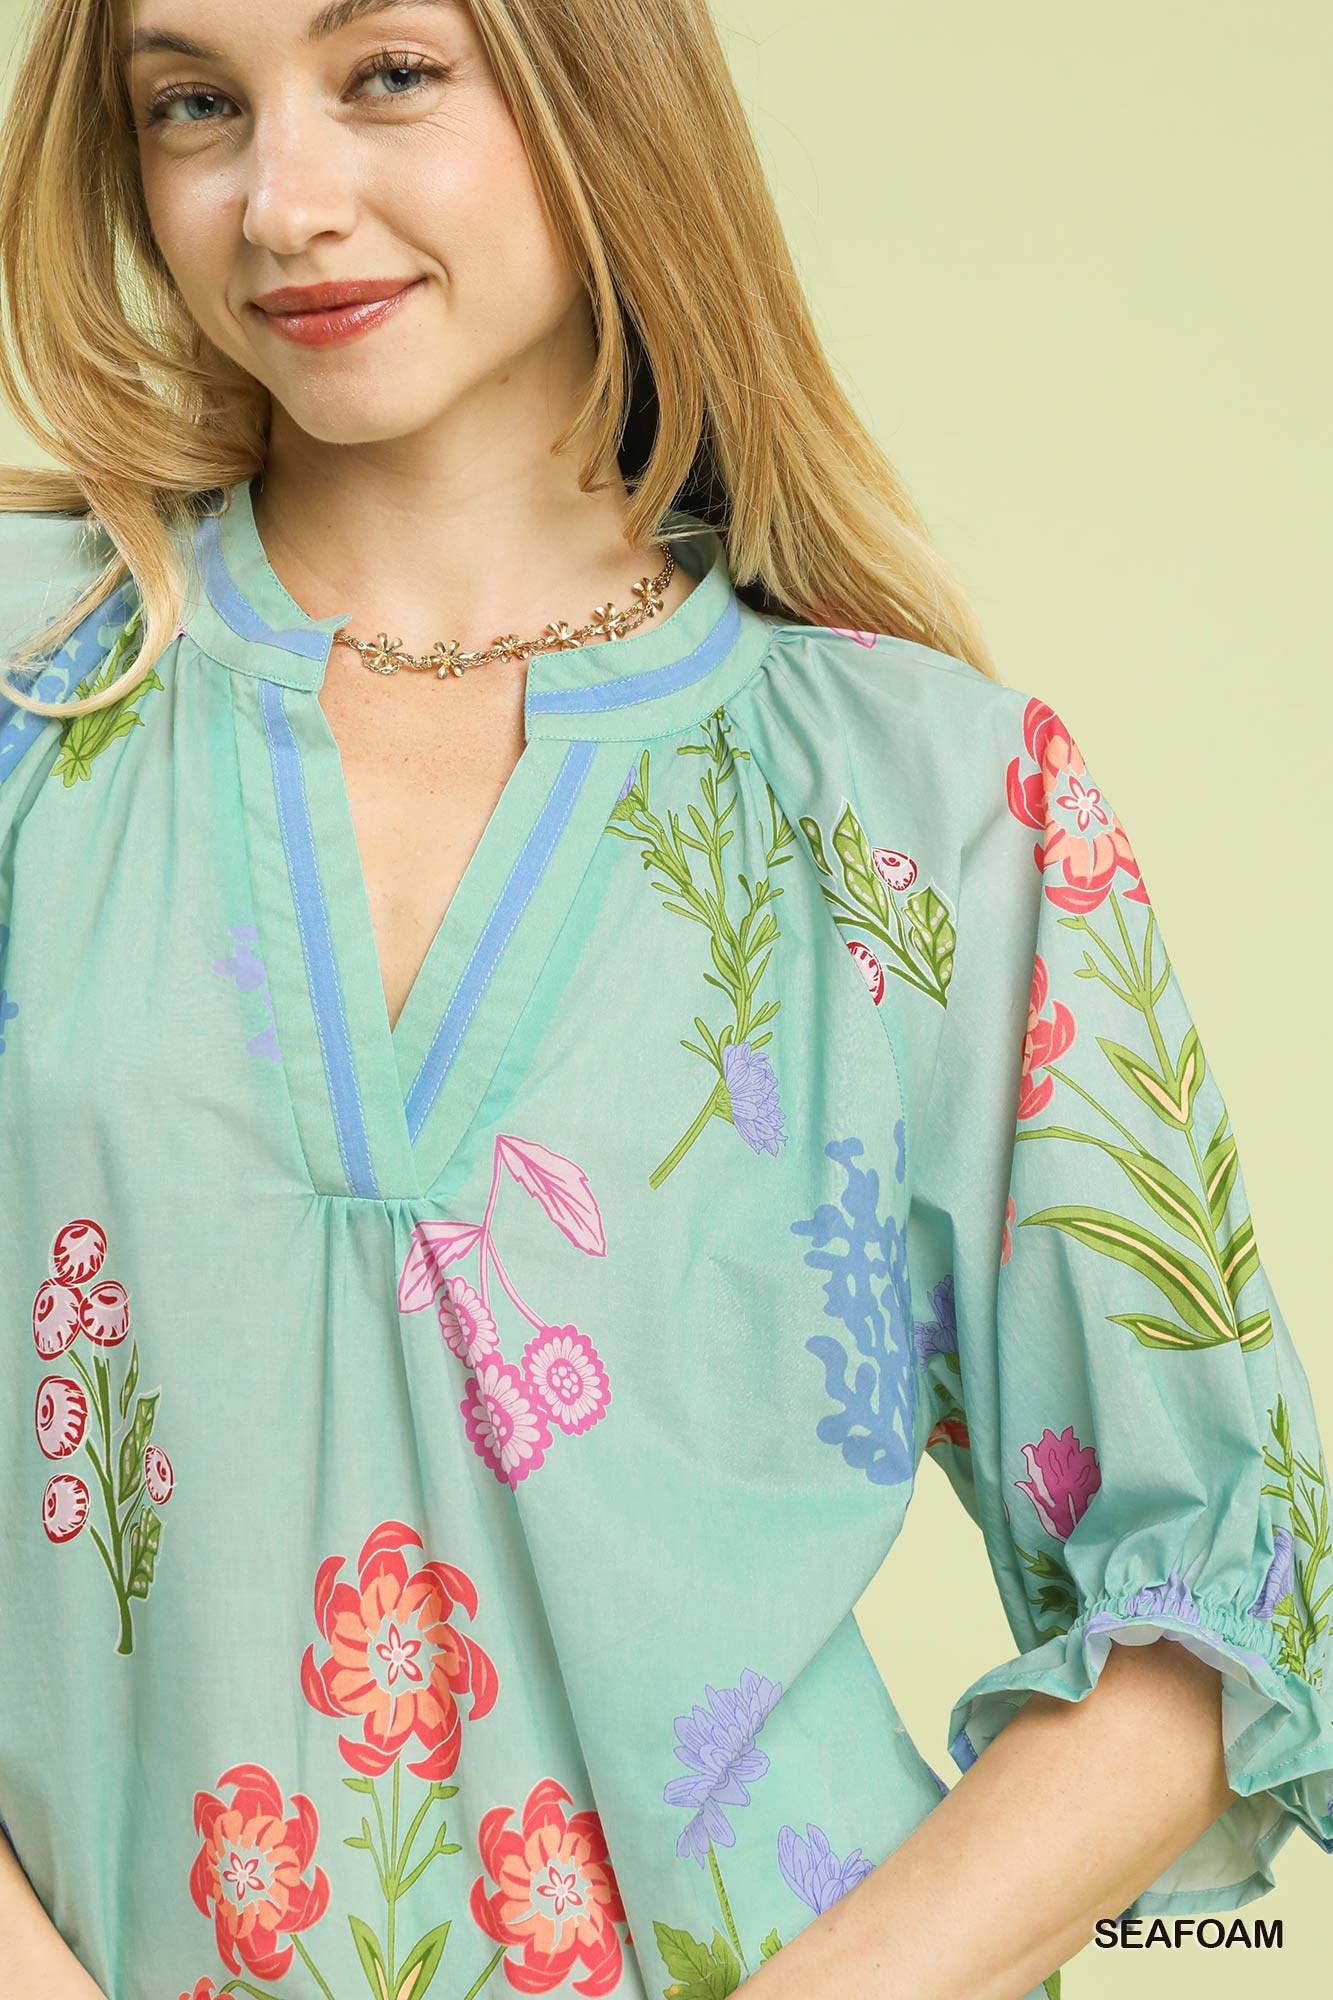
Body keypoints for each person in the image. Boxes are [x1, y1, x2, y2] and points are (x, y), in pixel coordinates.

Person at [1, 3, 1329, 1997]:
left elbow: (1226, 1597)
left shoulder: (923, 802)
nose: (279, 202)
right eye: (195, 103)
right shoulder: (36, 694)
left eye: (386, 74)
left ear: (594, 79)